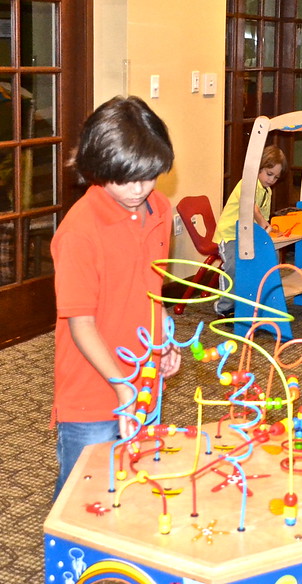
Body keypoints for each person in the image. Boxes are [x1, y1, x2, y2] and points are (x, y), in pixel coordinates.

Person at [50, 96, 181, 499]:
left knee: (132, 485)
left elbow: (149, 292)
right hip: (90, 393)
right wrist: (121, 385)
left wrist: (165, 340)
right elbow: (81, 324)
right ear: (98, 169)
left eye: (149, 176)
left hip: (142, 379)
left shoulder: (159, 209)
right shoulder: (79, 233)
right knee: (82, 493)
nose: (139, 189)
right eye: (126, 179)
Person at [213, 145, 287, 317]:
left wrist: (270, 231)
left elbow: (263, 217)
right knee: (234, 266)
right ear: (259, 168)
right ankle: (224, 306)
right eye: (269, 174)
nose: (271, 180)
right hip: (230, 235)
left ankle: (261, 300)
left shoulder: (266, 191)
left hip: (249, 235)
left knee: (271, 257)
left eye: (276, 177)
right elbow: (252, 208)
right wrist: (264, 225)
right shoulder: (248, 185)